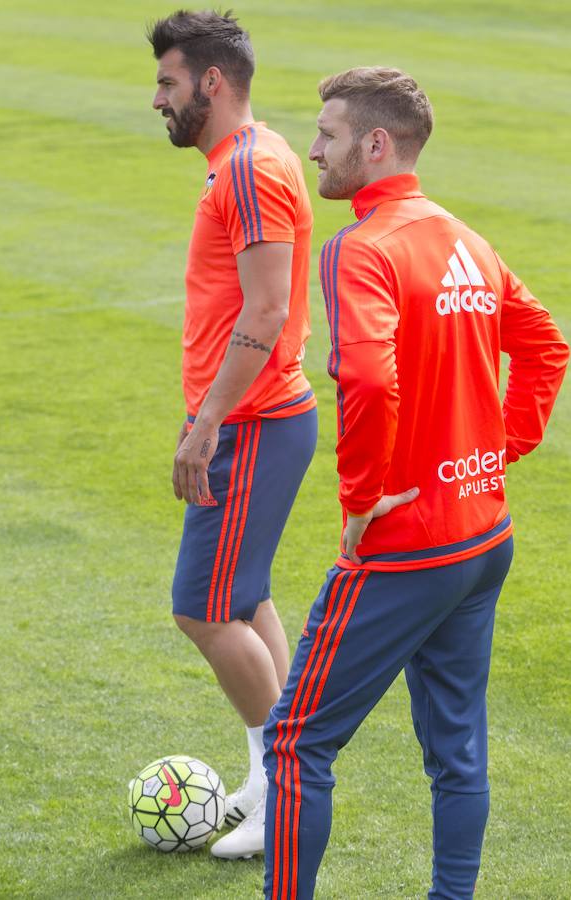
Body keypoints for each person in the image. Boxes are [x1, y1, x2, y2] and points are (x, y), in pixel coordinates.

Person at [263, 67, 569, 899]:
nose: (314, 149)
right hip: (483, 536)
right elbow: (547, 346)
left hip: (407, 546)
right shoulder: (463, 235)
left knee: (295, 745)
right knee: (457, 752)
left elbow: (365, 377)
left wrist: (362, 497)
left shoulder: (361, 248)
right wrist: (497, 451)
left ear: (375, 143)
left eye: (326, 134)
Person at [147, 10, 317, 859]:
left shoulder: (249, 167)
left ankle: (285, 793)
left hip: (249, 422)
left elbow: (269, 306)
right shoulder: (256, 155)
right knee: (242, 599)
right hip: (259, 415)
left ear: (211, 82)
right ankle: (282, 775)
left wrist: (205, 424)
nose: (158, 100)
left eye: (169, 82)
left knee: (202, 612)